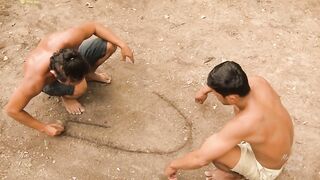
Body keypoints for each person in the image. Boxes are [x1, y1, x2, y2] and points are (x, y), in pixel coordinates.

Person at [164, 61, 293, 180]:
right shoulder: (259, 82)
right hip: (282, 146)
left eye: (216, 94)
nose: (214, 95)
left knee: (217, 153)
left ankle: (233, 175)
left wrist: (173, 165)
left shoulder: (244, 123)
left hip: (268, 169)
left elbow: (200, 158)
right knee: (239, 110)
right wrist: (206, 89)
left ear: (231, 98)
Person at [4, 22, 134, 136]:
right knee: (81, 88)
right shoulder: (35, 80)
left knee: (110, 45)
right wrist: (45, 128)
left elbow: (94, 26)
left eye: (82, 75)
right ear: (56, 76)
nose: (81, 79)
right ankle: (67, 96)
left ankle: (89, 74)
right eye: (75, 79)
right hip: (48, 83)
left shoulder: (67, 40)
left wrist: (123, 45)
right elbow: (12, 110)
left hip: (69, 65)